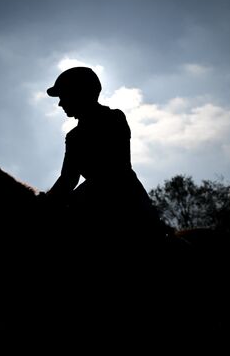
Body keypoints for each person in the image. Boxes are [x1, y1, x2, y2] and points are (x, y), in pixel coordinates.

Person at [43, 66, 164, 239]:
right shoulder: (73, 137)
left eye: (64, 96)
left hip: (127, 202)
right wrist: (47, 202)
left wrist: (67, 201)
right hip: (93, 202)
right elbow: (68, 179)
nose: (60, 103)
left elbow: (112, 172)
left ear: (80, 92)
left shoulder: (113, 118)